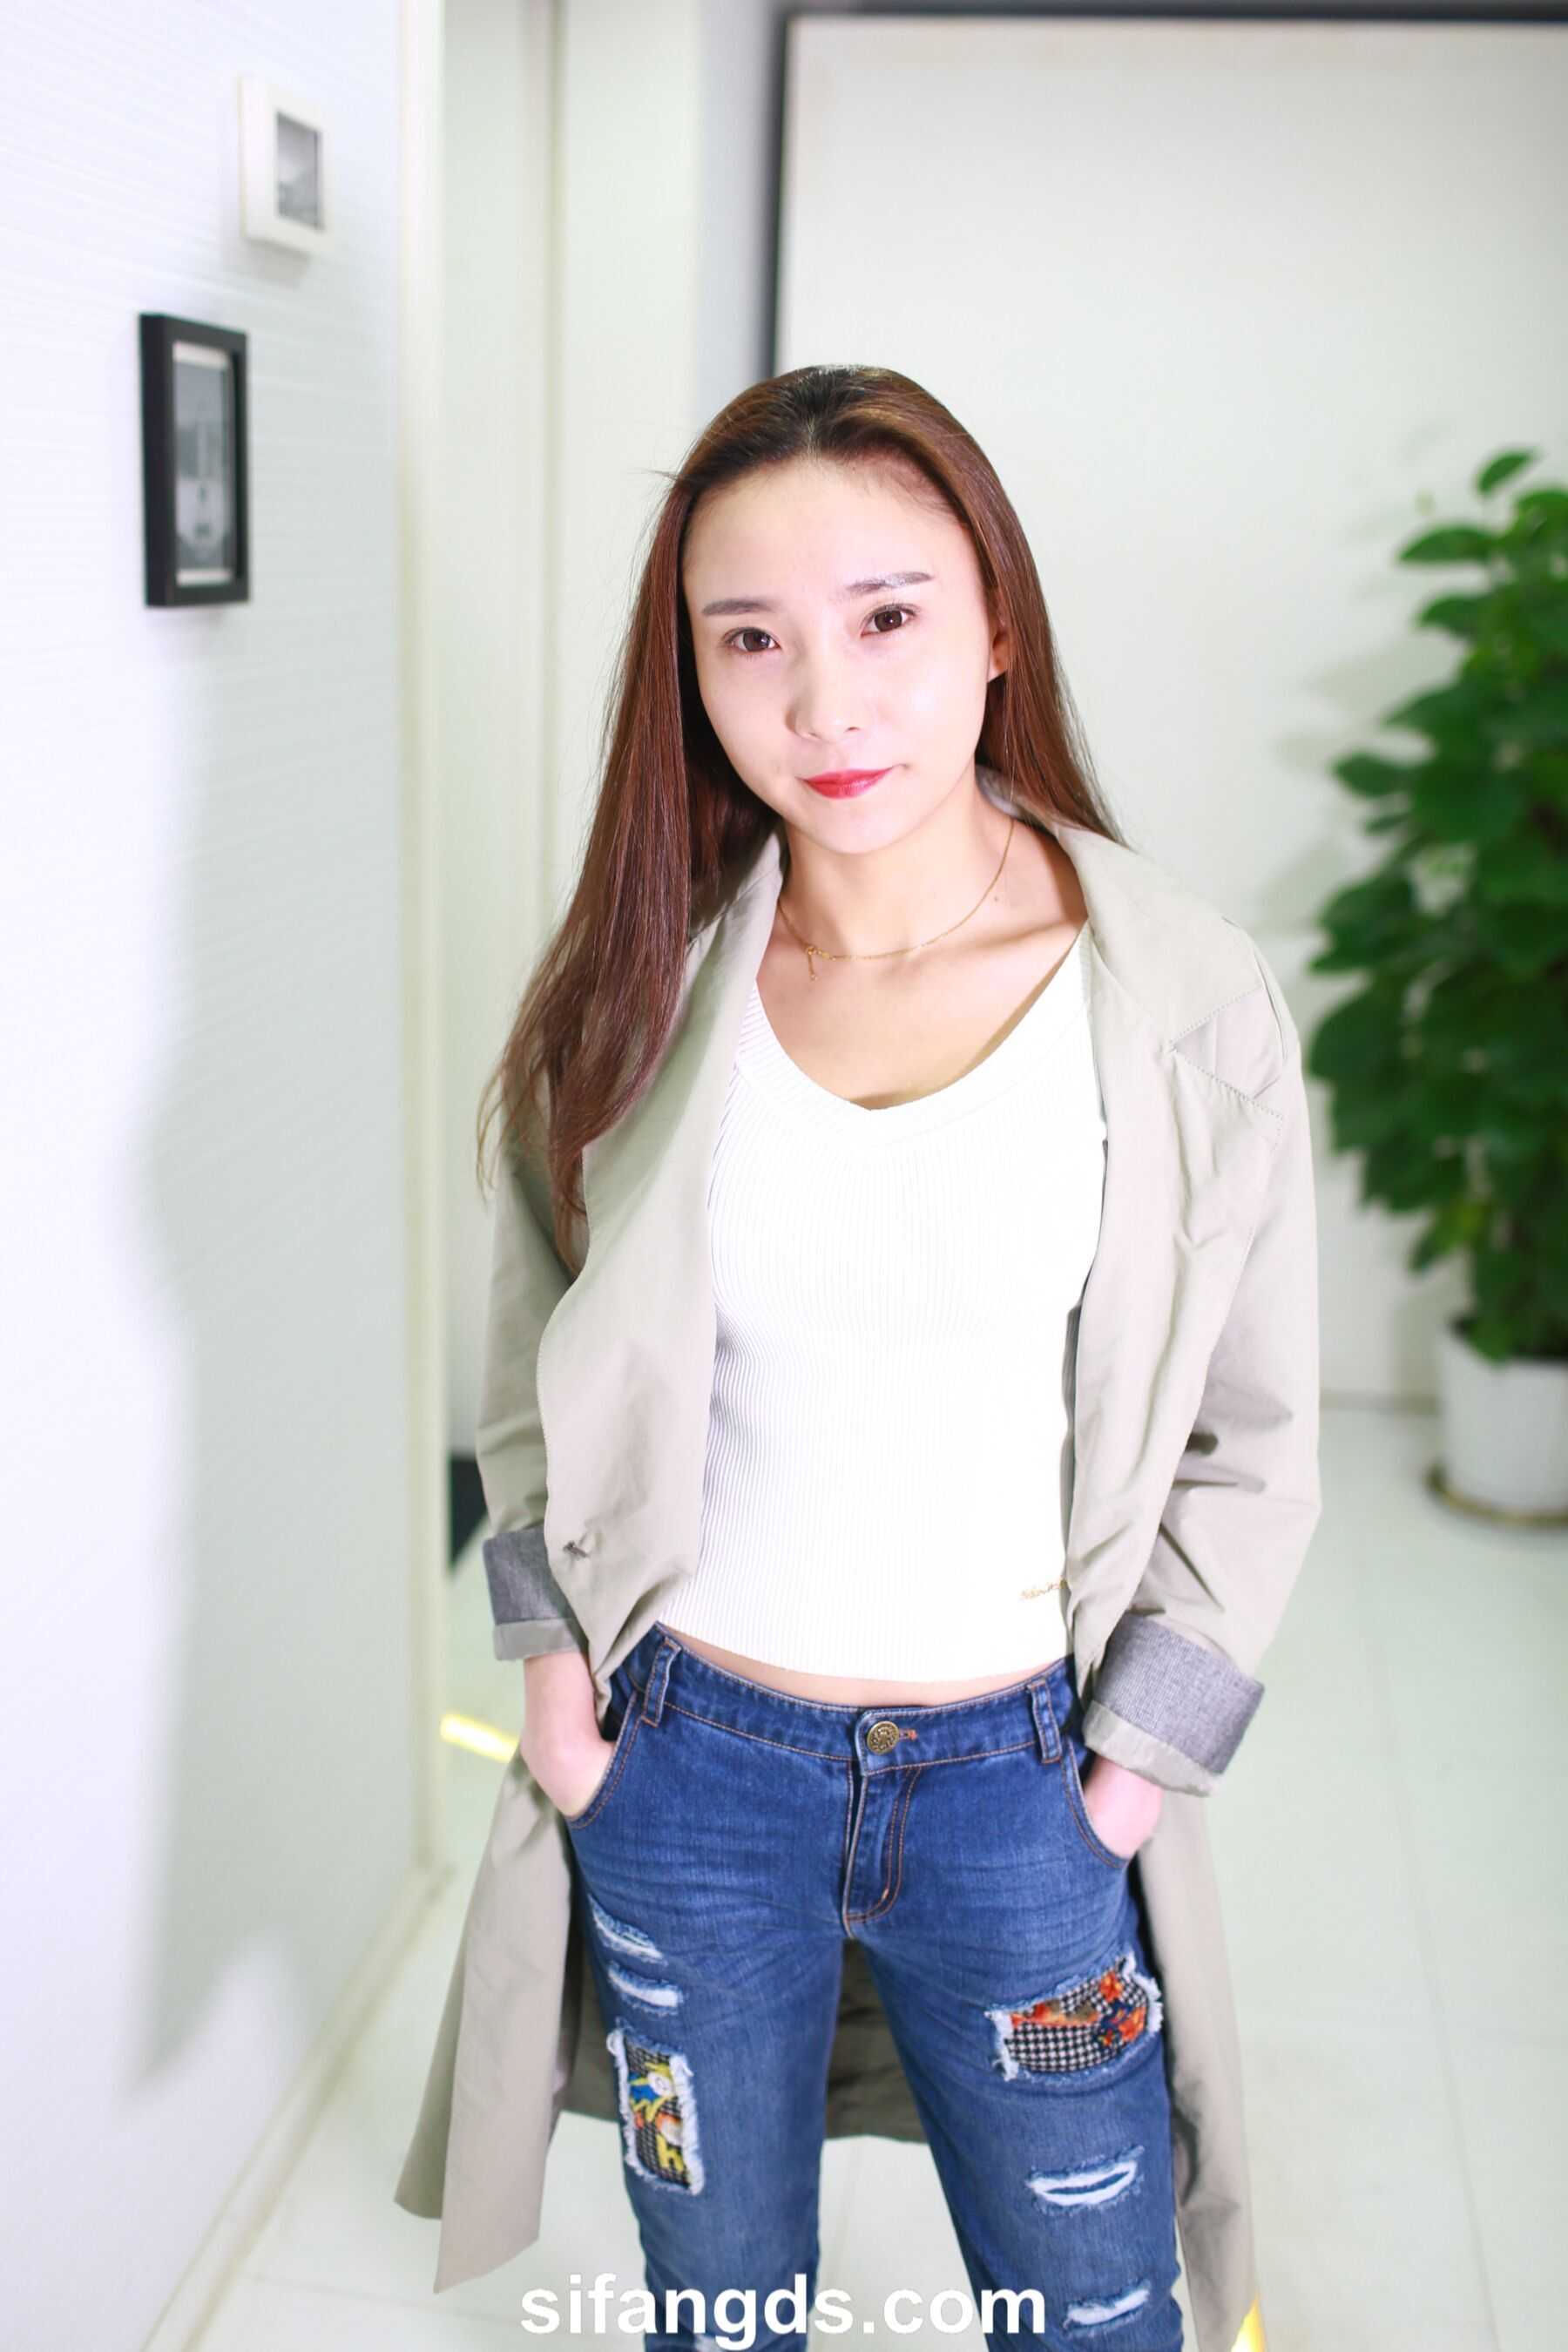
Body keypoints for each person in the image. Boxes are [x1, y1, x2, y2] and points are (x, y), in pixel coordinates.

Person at [398, 363, 1322, 2352]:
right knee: (719, 2309)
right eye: (752, 640)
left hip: (1025, 1785)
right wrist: (559, 1690)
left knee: (1095, 2312)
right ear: (692, 672)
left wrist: (1128, 1782)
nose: (825, 706)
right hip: (688, 1767)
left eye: (887, 617)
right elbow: (533, 1374)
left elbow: (1253, 1438)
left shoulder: (1176, 995)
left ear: (995, 627)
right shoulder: (639, 989)